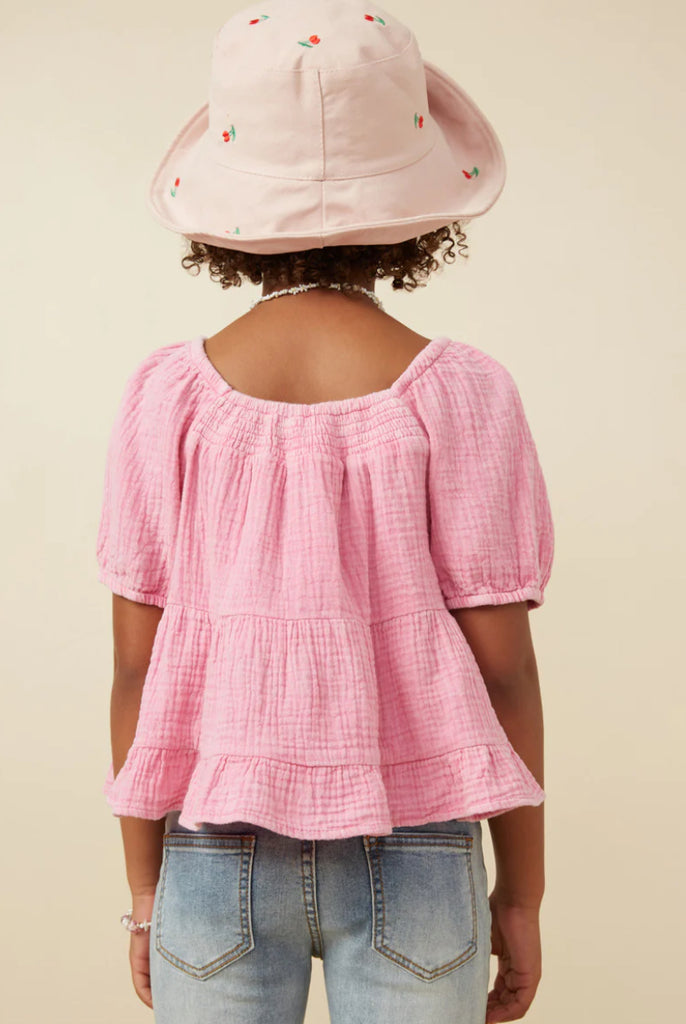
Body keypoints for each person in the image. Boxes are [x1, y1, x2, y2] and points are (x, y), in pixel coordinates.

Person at [97, 3, 554, 1023]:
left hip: (209, 845)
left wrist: (143, 891)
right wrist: (520, 894)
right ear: (418, 210)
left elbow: (135, 669)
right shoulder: (461, 393)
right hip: (421, 842)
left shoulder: (167, 398)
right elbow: (504, 671)